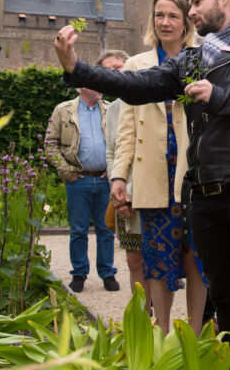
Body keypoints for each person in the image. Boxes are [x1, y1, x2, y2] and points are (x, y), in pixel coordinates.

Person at [54, 0, 230, 368]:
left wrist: (218, 96)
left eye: (197, 2)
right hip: (202, 194)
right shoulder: (195, 59)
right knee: (225, 296)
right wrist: (77, 69)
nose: (191, 11)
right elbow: (138, 84)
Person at [110, 0, 207, 334]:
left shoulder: (202, 59)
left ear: (185, 23)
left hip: (193, 177)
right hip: (153, 176)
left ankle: (195, 338)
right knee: (157, 262)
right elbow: (126, 129)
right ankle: (161, 335)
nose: (165, 22)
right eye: (159, 15)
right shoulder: (137, 65)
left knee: (196, 259)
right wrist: (119, 176)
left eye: (173, 16)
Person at [45, 50, 125, 293]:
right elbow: (50, 144)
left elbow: (119, 142)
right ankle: (79, 273)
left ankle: (107, 273)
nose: (100, 86)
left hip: (103, 180)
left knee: (105, 230)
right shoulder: (63, 110)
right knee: (78, 230)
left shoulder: (109, 109)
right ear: (82, 87)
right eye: (94, 82)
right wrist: (66, 171)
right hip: (77, 180)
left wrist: (113, 173)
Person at [99, 50, 145, 302]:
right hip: (123, 191)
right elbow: (111, 151)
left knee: (165, 258)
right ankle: (142, 316)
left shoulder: (150, 97)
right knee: (133, 258)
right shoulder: (113, 109)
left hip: (151, 188)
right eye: (107, 71)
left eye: (118, 67)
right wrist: (117, 189)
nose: (114, 74)